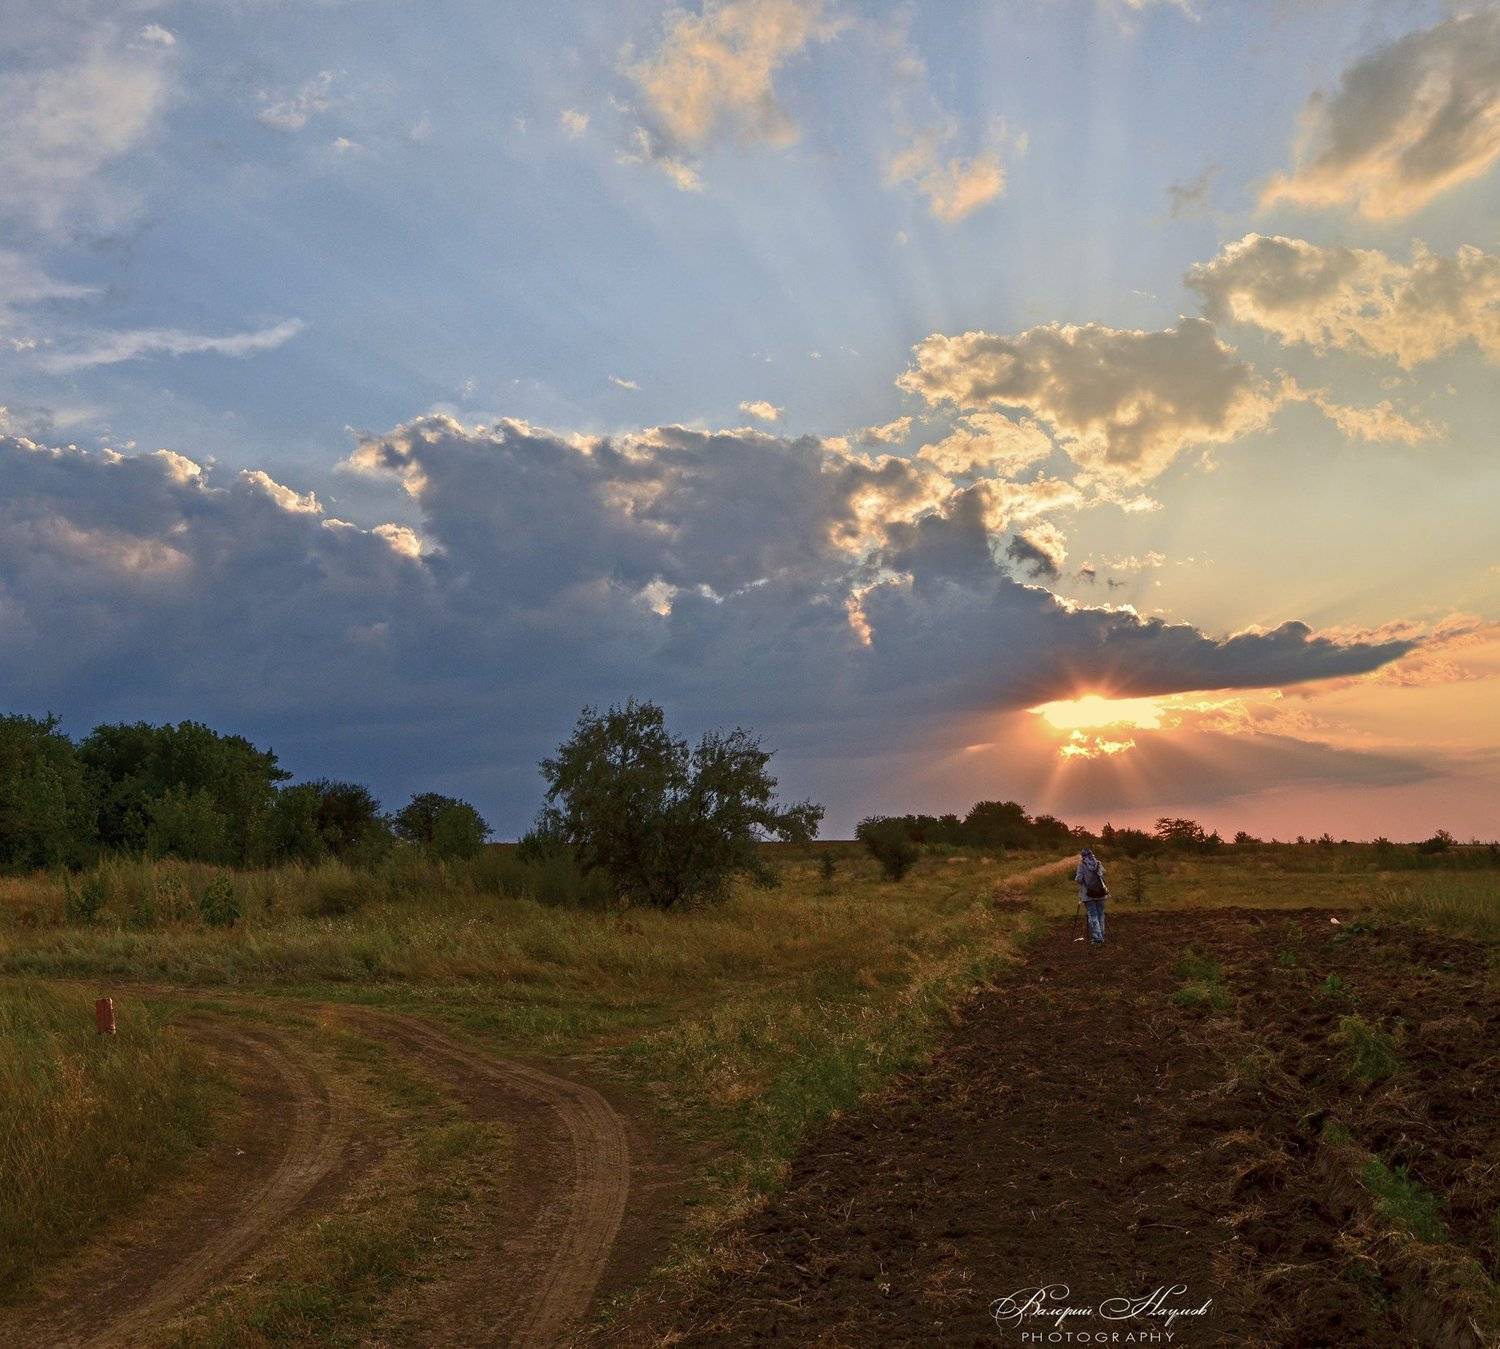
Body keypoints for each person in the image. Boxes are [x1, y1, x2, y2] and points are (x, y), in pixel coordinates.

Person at [1075, 847, 1108, 945]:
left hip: (1088, 894)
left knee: (1093, 915)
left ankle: (1097, 939)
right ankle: (1101, 935)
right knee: (1101, 914)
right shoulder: (1098, 863)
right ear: (1092, 854)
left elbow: (1079, 879)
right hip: (1100, 893)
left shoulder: (1081, 865)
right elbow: (1102, 875)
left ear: (1082, 856)